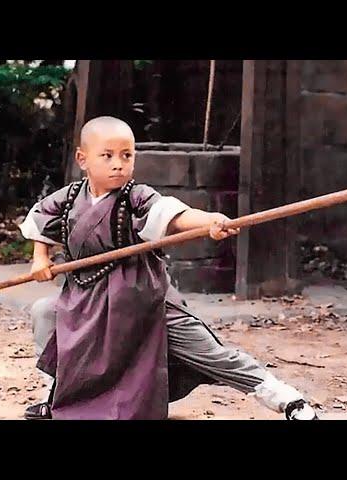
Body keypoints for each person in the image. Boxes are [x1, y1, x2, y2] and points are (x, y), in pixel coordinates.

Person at [18, 116, 318, 420]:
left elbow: (174, 214)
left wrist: (209, 221)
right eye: (106, 156)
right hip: (86, 303)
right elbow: (41, 220)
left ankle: (288, 401)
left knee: (211, 354)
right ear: (83, 159)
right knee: (45, 312)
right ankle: (57, 397)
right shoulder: (69, 198)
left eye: (127, 155)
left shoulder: (135, 197)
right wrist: (40, 258)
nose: (118, 164)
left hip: (142, 302)